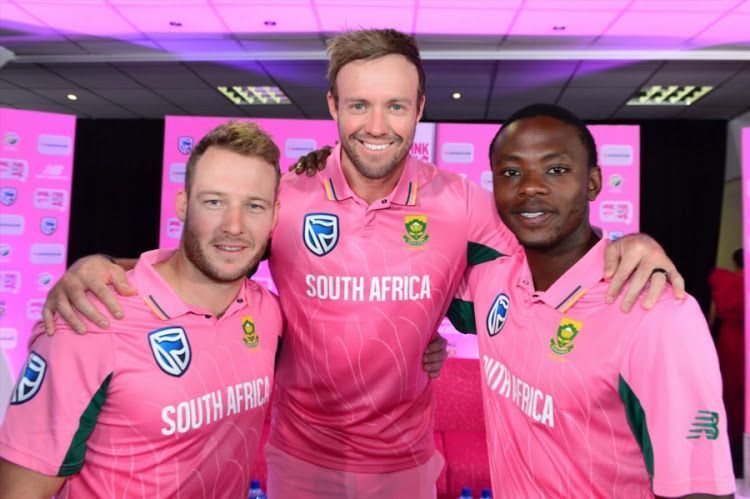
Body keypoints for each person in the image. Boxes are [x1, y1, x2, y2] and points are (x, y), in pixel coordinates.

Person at [41, 30, 684, 498]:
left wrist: (625, 245)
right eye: (359, 105)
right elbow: (204, 256)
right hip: (296, 457)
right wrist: (102, 266)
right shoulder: (288, 195)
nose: (377, 125)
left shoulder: (460, 202)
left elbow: (547, 251)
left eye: (396, 106)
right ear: (332, 109)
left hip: (405, 462)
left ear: (420, 110)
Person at [448, 104, 735, 496]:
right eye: (511, 172)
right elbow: (408, 277)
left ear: (593, 183)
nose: (530, 186)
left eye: (557, 170)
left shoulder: (656, 313)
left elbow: (699, 490)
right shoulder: (492, 279)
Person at [0, 122, 284, 497]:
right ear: (183, 204)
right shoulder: (91, 321)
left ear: (275, 215)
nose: (233, 226)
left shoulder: (267, 313)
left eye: (253, 206)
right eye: (213, 201)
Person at [708, 248, 745, 476]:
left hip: (730, 342)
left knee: (729, 393)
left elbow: (713, 316)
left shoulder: (725, 282)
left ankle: (729, 447)